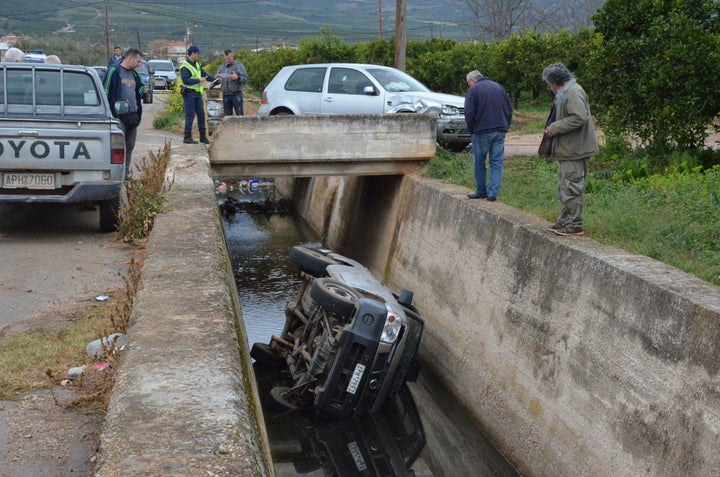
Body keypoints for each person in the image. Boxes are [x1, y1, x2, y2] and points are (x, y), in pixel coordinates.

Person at [541, 63, 599, 237]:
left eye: (549, 83)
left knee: (571, 187)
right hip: (568, 150)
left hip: (575, 150)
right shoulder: (565, 91)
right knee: (564, 187)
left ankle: (575, 224)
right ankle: (565, 221)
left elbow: (579, 117)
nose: (549, 87)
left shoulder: (573, 92)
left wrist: (555, 127)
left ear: (556, 81)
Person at [464, 70, 513, 202]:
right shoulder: (499, 87)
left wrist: (472, 130)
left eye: (469, 84)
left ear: (472, 81)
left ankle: (481, 191)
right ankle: (492, 193)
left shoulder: (473, 90)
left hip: (481, 131)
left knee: (479, 161)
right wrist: (505, 126)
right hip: (500, 130)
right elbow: (509, 109)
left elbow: (469, 113)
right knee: (496, 162)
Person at [104, 48, 144, 180]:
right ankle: (115, 175)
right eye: (138, 61)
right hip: (118, 116)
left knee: (130, 146)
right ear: (130, 58)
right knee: (117, 147)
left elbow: (141, 87)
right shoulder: (114, 71)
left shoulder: (135, 74)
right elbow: (106, 90)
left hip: (133, 115)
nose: (139, 64)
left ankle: (125, 174)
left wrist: (138, 98)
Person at [179, 45, 217, 144]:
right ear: (193, 53)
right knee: (190, 115)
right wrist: (198, 80)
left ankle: (202, 137)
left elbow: (205, 74)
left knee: (201, 115)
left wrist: (215, 80)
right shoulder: (185, 66)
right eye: (198, 53)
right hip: (188, 93)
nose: (199, 55)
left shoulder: (197, 64)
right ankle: (187, 137)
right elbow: (186, 80)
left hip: (197, 93)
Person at [217, 49, 248, 116]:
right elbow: (218, 81)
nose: (228, 60)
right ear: (224, 57)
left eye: (230, 58)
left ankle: (240, 127)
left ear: (232, 56)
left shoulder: (239, 66)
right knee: (227, 117)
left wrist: (238, 78)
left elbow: (245, 79)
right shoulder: (221, 67)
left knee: (240, 116)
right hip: (225, 95)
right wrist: (217, 79)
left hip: (236, 94)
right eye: (227, 58)